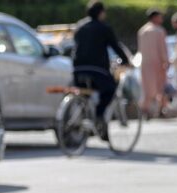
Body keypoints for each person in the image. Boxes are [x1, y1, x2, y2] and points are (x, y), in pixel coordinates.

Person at [72, 1, 131, 140]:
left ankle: (86, 119)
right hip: (97, 69)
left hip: (78, 68)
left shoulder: (80, 26)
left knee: (85, 93)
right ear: (101, 13)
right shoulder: (104, 28)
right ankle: (98, 116)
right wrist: (126, 61)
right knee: (110, 89)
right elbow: (115, 46)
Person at [137, 8, 169, 117]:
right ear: (155, 17)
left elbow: (140, 50)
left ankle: (145, 109)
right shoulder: (159, 31)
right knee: (160, 87)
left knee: (147, 87)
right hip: (157, 63)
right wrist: (166, 61)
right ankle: (161, 108)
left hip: (145, 63)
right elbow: (162, 49)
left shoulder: (142, 31)